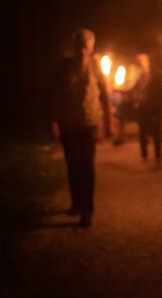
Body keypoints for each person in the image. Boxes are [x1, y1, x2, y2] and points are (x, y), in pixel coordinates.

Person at [51, 28, 111, 227]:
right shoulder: (64, 67)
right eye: (79, 46)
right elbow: (55, 94)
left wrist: (108, 123)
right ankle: (76, 202)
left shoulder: (96, 68)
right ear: (74, 47)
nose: (83, 50)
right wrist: (53, 120)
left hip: (89, 122)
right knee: (72, 164)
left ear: (91, 47)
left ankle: (88, 209)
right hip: (68, 122)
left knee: (87, 165)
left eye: (86, 46)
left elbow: (105, 95)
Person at [130, 52, 162, 164]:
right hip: (143, 107)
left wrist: (161, 107)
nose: (141, 63)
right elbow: (135, 89)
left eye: (143, 61)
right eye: (139, 61)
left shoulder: (157, 75)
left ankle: (158, 155)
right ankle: (144, 153)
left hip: (154, 107)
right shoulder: (140, 76)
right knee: (143, 131)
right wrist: (135, 97)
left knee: (156, 131)